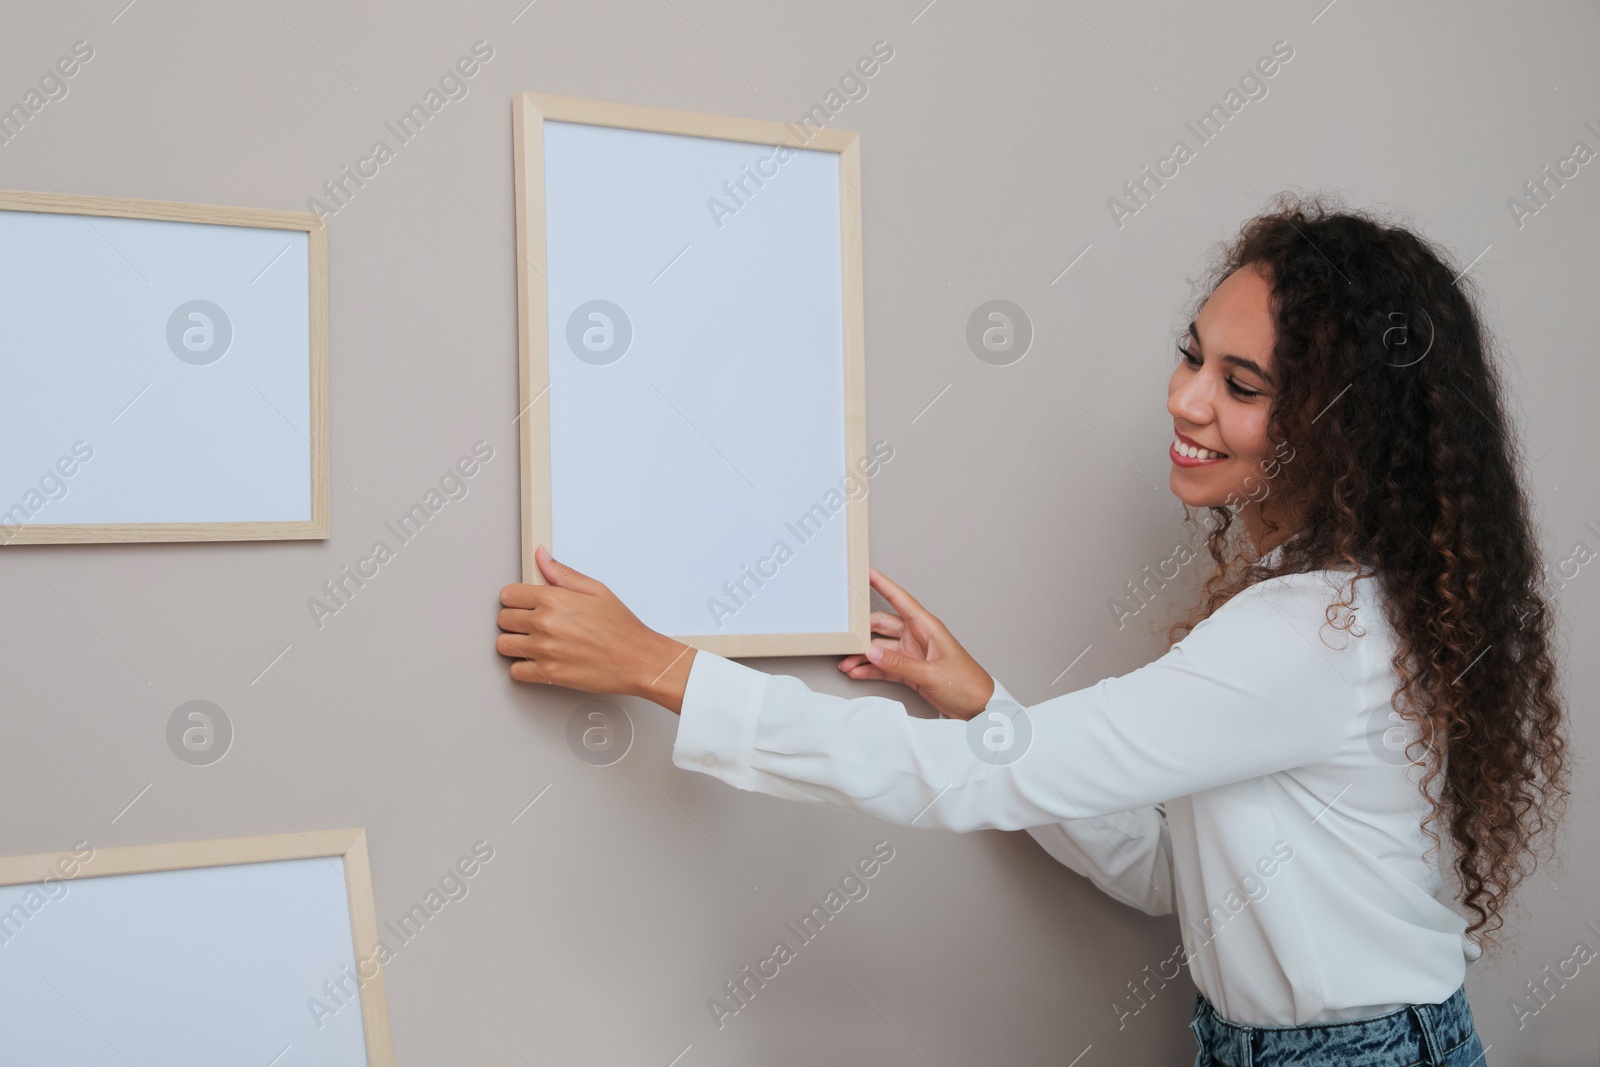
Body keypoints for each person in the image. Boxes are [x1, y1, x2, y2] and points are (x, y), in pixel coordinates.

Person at [495, 192, 1568, 1066]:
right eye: (1191, 356)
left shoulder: (1310, 633)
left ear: (1343, 429)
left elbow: (961, 780)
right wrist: (986, 704)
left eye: (1239, 386)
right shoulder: (1340, 600)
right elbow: (1172, 873)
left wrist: (663, 667)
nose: (1185, 400)